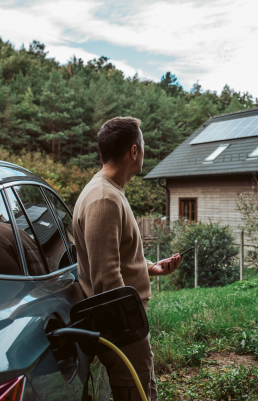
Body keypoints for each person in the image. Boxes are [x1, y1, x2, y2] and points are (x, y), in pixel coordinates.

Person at [73, 117, 182, 401]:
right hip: (123, 330)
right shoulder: (103, 199)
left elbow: (114, 258)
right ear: (134, 151)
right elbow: (106, 280)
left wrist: (150, 268)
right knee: (137, 395)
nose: (144, 151)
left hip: (128, 325)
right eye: (143, 145)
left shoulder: (111, 192)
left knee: (145, 391)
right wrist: (134, 336)